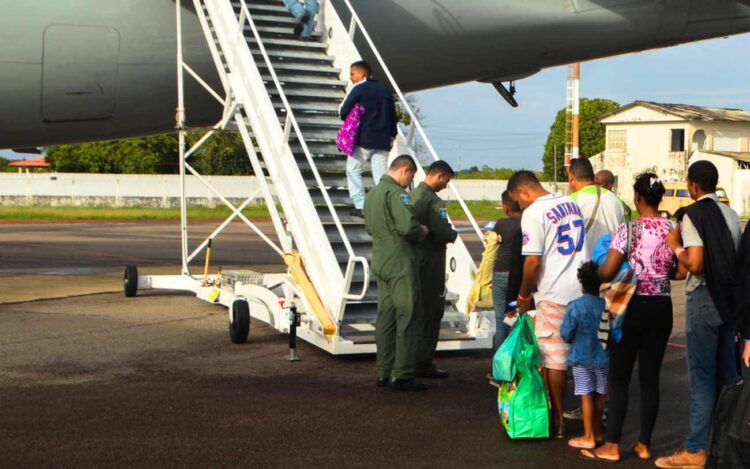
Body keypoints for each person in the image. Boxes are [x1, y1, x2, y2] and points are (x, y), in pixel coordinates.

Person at [580, 172, 686, 464]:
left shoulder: (628, 230)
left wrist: (598, 272)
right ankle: (644, 444)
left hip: (631, 306)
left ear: (637, 198)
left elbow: (609, 270)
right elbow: (680, 272)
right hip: (661, 307)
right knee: (650, 378)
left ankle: (612, 444)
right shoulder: (672, 227)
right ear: (659, 198)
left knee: (620, 376)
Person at [656, 160, 742, 468]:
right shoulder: (731, 215)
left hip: (703, 299)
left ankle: (694, 449)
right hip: (729, 303)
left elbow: (695, 263)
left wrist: (675, 246)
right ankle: (729, 442)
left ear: (693, 185)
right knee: (728, 376)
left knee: (702, 378)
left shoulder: (692, 215)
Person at [508, 170, 588, 438]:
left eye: (517, 202)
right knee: (588, 359)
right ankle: (593, 424)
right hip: (583, 289)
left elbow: (532, 262)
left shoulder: (533, 213)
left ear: (523, 192)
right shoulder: (570, 203)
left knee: (554, 359)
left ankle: (557, 419)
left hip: (555, 293)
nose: (520, 207)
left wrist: (523, 296)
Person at [363, 155, 429, 392]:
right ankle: (402, 374)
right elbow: (407, 226)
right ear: (405, 170)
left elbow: (369, 227)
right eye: (410, 176)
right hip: (400, 260)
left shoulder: (371, 195)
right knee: (409, 314)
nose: (410, 181)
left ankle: (384, 371)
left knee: (386, 317)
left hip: (380, 258)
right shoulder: (397, 194)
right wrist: (421, 230)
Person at [411, 161, 458, 379]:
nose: (445, 186)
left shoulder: (411, 196)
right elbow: (442, 232)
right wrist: (452, 234)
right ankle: (423, 362)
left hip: (415, 259)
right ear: (439, 176)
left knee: (416, 310)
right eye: (446, 181)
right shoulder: (433, 201)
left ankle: (411, 359)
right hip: (432, 261)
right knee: (432, 311)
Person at [340, 61, 399, 217]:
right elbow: (394, 117)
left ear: (362, 74)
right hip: (383, 141)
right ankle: (382, 206)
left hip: (364, 140)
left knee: (353, 170)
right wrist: (392, 136)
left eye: (352, 74)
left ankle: (361, 205)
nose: (351, 78)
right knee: (380, 176)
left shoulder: (359, 89)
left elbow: (344, 112)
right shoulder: (386, 91)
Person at [561, 262, 609, 450]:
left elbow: (566, 333)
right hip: (603, 357)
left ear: (581, 282)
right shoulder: (606, 305)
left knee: (586, 395)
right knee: (599, 396)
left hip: (581, 358)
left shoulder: (575, 306)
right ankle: (597, 433)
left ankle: (588, 435)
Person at [569, 158, 624, 258]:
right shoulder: (616, 200)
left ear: (572, 176)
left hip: (584, 267)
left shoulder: (570, 201)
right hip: (610, 265)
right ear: (593, 176)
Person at [492, 190, 523, 349]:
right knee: (517, 319)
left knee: (500, 320)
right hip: (519, 276)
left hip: (500, 273)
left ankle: (499, 365)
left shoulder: (501, 224)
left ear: (505, 207)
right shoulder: (527, 223)